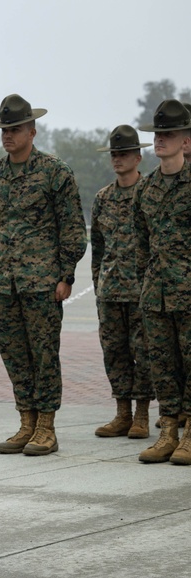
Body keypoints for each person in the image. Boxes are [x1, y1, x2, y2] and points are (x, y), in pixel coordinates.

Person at [0, 94, 87, 456]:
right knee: (14, 354)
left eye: (15, 129)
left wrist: (66, 275)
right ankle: (25, 422)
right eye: (4, 130)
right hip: (4, 284)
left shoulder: (55, 172)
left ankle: (46, 426)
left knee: (44, 355)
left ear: (32, 131)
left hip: (42, 283)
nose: (8, 136)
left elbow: (72, 228)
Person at [133, 99, 191, 465]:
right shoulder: (146, 189)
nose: (160, 141)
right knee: (163, 366)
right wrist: (146, 288)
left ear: (186, 141)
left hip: (189, 293)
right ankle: (168, 431)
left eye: (168, 134)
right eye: (156, 135)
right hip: (156, 296)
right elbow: (142, 246)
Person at [90, 125, 154, 440]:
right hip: (110, 291)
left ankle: (142, 414)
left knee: (143, 353)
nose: (118, 159)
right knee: (114, 351)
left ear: (138, 157)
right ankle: (122, 413)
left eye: (124, 154)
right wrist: (98, 285)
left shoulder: (151, 193)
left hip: (143, 290)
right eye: (114, 155)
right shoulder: (103, 198)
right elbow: (97, 248)